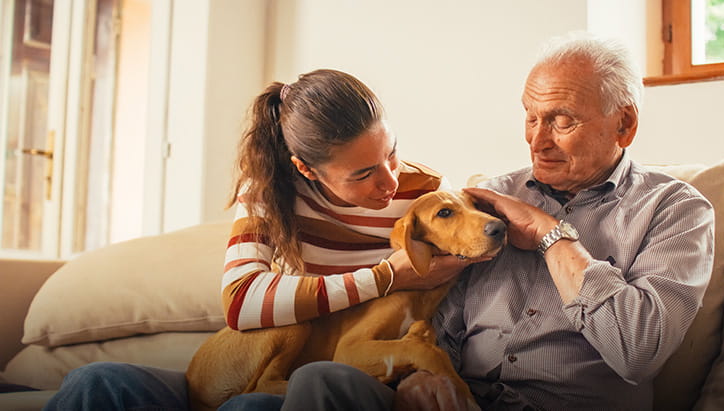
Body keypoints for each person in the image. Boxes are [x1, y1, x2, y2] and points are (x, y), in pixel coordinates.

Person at [269, 33, 716, 411]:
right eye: (531, 117)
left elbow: (638, 350)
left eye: (561, 121)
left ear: (625, 123)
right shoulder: (488, 199)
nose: (537, 140)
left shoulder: (675, 210)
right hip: (463, 400)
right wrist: (418, 377)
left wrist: (550, 235)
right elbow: (440, 318)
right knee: (318, 382)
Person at [43, 69, 480, 410]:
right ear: (306, 169)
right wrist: (385, 277)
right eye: (362, 174)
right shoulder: (271, 192)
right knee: (95, 382)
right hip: (260, 363)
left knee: (254, 405)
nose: (390, 181)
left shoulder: (427, 195)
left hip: (330, 375)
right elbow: (241, 301)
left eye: (391, 153)